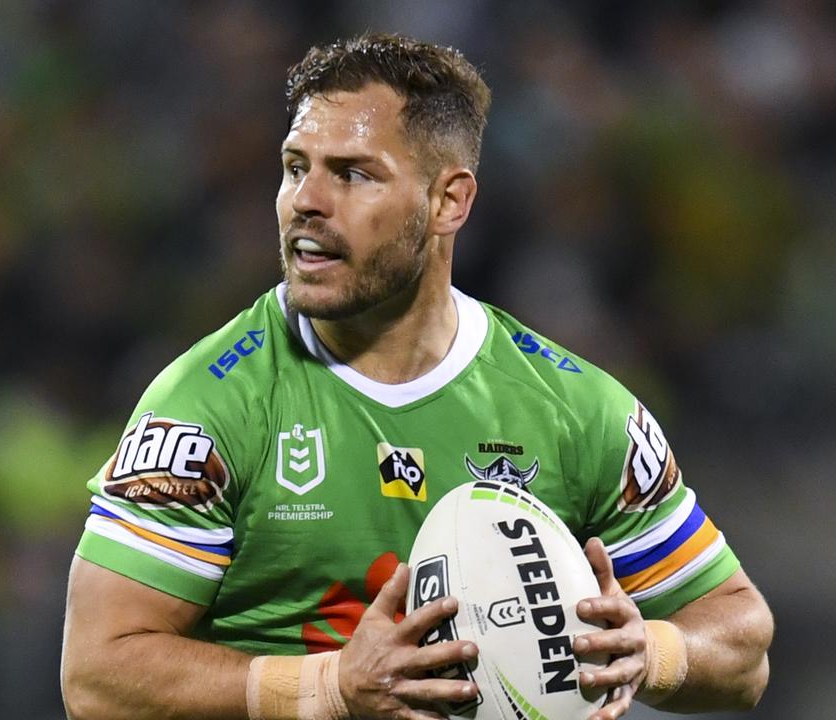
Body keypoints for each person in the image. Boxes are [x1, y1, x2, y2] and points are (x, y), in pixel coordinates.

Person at [61, 33, 772, 720]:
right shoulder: (210, 406)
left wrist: (648, 650)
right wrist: (331, 689)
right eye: (294, 166)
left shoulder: (575, 410)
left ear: (449, 202)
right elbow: (97, 676)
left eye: (353, 174)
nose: (306, 200)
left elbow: (744, 649)